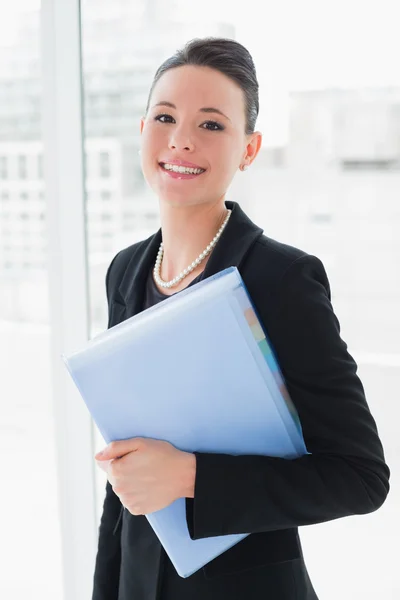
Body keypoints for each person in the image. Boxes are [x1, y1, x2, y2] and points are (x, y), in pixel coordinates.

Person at [91, 37, 390, 600]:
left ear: (248, 150)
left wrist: (190, 476)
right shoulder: (125, 272)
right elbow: (124, 477)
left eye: (211, 125)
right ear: (142, 131)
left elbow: (360, 478)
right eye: (165, 116)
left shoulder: (282, 279)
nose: (180, 139)